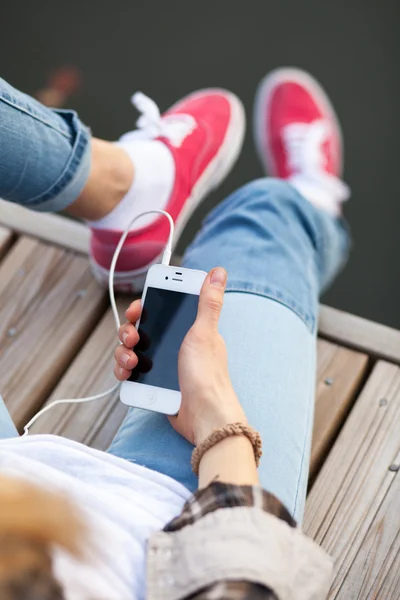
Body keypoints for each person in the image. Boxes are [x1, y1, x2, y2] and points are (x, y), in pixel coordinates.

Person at [0, 67, 350, 599]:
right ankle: (311, 200)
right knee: (263, 216)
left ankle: (124, 186)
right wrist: (217, 415)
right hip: (179, 526)